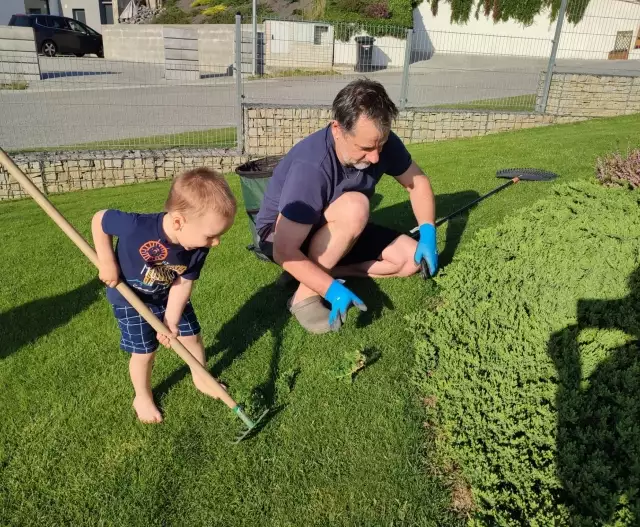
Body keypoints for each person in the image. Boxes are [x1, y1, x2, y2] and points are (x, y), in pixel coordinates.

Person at [255, 78, 438, 334]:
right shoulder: (312, 166)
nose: (375, 157)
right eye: (365, 148)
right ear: (338, 129)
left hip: (342, 228)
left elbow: (416, 182)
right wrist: (329, 290)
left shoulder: (379, 141)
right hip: (283, 236)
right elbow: (284, 250)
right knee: (355, 206)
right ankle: (303, 298)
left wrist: (428, 230)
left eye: (380, 145)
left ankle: (313, 273)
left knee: (410, 261)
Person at [91, 168, 236, 423]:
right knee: (145, 352)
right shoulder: (136, 226)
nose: (215, 243)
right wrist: (106, 260)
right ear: (179, 221)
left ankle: (202, 378)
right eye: (211, 235)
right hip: (130, 301)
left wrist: (171, 319)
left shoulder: (197, 247)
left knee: (191, 337)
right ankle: (142, 396)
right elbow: (100, 219)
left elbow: (183, 282)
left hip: (168, 296)